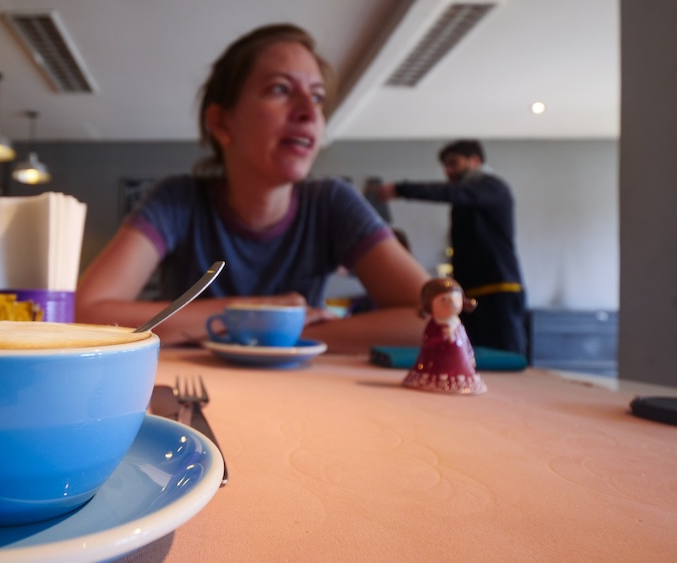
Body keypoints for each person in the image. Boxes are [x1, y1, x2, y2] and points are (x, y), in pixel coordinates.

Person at [75, 23, 430, 354]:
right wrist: (255, 312)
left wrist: (274, 334)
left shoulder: (333, 203)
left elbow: (434, 318)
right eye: (280, 89)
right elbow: (87, 312)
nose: (309, 111)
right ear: (222, 122)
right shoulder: (178, 200)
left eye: (318, 97)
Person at [375, 140, 527, 355]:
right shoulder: (471, 195)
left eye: (453, 163)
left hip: (498, 290)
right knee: (470, 357)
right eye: (446, 166)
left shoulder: (492, 187)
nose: (448, 171)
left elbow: (451, 192)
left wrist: (401, 189)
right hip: (472, 291)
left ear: (475, 161)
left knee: (506, 357)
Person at [401, 278, 487, 395]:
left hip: (460, 362)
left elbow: (465, 341)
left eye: (456, 299)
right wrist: (442, 337)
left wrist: (470, 354)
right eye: (444, 300)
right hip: (436, 362)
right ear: (430, 305)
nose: (452, 303)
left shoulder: (457, 324)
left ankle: (459, 381)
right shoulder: (436, 324)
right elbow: (428, 340)